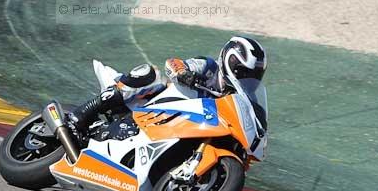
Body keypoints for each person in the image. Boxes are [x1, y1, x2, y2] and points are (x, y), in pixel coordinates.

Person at [68, 36, 268, 140]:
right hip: (153, 106)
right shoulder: (209, 67)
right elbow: (173, 63)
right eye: (243, 72)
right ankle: (82, 114)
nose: (247, 78)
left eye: (253, 75)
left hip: (182, 127)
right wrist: (183, 73)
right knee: (151, 75)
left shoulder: (239, 99)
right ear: (229, 61)